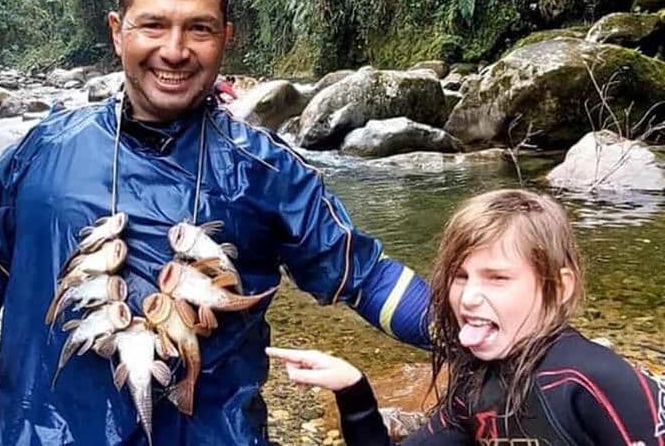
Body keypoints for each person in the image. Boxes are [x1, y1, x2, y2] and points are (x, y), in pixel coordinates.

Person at [0, 0, 432, 445]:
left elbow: (368, 277)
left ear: (226, 37)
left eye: (199, 28)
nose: (175, 50)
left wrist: (485, 319)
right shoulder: (44, 149)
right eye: (154, 25)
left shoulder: (267, 171)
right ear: (119, 32)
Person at [269, 188, 665, 445]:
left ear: (558, 288)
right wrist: (353, 392)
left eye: (497, 278)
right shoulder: (475, 387)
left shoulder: (595, 382)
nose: (469, 298)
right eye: (460, 277)